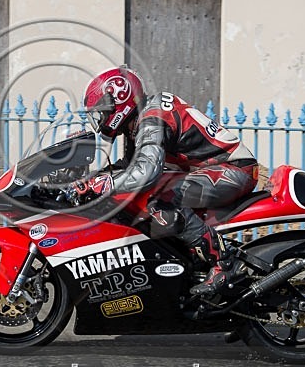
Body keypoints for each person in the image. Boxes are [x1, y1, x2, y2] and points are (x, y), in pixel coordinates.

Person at [70, 66, 259, 296]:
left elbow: (146, 172)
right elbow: (129, 166)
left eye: (101, 110)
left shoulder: (152, 119)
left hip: (234, 170)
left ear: (119, 99)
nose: (99, 119)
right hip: (210, 170)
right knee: (140, 194)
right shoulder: (138, 120)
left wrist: (105, 184)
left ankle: (225, 263)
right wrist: (91, 180)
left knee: (161, 196)